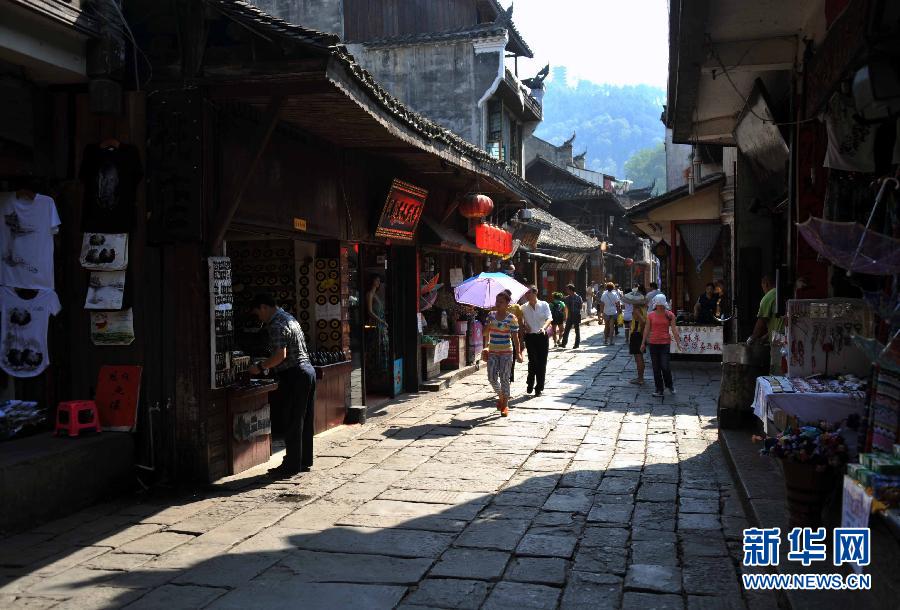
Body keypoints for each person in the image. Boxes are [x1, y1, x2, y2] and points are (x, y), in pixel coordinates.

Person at [249, 293, 316, 478]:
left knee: (293, 420)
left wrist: (260, 367)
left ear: (264, 307)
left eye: (258, 313)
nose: (259, 318)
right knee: (304, 420)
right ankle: (303, 460)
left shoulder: (276, 324)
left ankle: (291, 465)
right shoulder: (289, 318)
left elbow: (280, 356)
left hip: (294, 374)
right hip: (307, 371)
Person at [483, 292, 523, 416]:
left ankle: (505, 405)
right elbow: (485, 334)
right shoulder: (490, 315)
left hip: (506, 351)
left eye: (501, 302)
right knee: (491, 377)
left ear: (507, 304)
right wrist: (488, 326)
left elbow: (515, 338)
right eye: (497, 301)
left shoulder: (512, 318)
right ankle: (501, 396)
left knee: (505, 378)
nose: (498, 303)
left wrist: (519, 353)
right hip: (493, 351)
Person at [642, 294, 683, 397]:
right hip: (653, 343)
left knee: (665, 366)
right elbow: (647, 328)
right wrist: (643, 342)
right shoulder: (650, 315)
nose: (660, 306)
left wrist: (678, 342)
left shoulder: (670, 315)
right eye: (658, 304)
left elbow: (674, 329)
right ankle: (659, 389)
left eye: (661, 305)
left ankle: (669, 385)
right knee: (656, 368)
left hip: (665, 343)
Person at [747, 274, 784, 374]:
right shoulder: (781, 294)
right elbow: (778, 321)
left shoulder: (768, 297)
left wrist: (752, 338)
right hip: (787, 337)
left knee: (777, 370)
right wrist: (765, 336)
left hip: (778, 341)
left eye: (762, 286)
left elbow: (761, 322)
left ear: (766, 284)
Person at [521, 286, 552, 396]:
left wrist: (544, 327)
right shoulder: (523, 308)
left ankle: (539, 387)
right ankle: (530, 382)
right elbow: (520, 322)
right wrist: (524, 326)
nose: (526, 295)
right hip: (530, 337)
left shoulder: (544, 304)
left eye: (529, 293)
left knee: (542, 362)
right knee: (533, 361)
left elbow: (549, 318)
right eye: (526, 293)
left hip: (542, 336)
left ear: (535, 293)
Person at [366, 275, 390, 374]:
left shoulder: (376, 294)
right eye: (377, 280)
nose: (378, 283)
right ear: (372, 281)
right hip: (377, 323)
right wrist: (381, 321)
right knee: (377, 345)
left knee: (383, 344)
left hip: (381, 324)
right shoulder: (370, 294)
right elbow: (370, 311)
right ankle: (376, 368)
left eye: (379, 281)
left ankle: (382, 368)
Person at [628, 302, 647, 385]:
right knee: (640, 357)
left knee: (638, 357)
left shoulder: (637, 310)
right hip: (639, 334)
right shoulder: (644, 309)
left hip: (636, 334)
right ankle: (641, 377)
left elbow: (643, 321)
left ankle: (640, 378)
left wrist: (642, 332)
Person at [560, 284, 583, 349]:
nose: (566, 291)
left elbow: (581, 306)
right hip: (570, 316)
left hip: (576, 315)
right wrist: (566, 316)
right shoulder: (567, 298)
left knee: (577, 330)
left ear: (571, 290)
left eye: (567, 289)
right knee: (566, 330)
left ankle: (576, 344)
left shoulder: (578, 297)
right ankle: (563, 343)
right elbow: (566, 307)